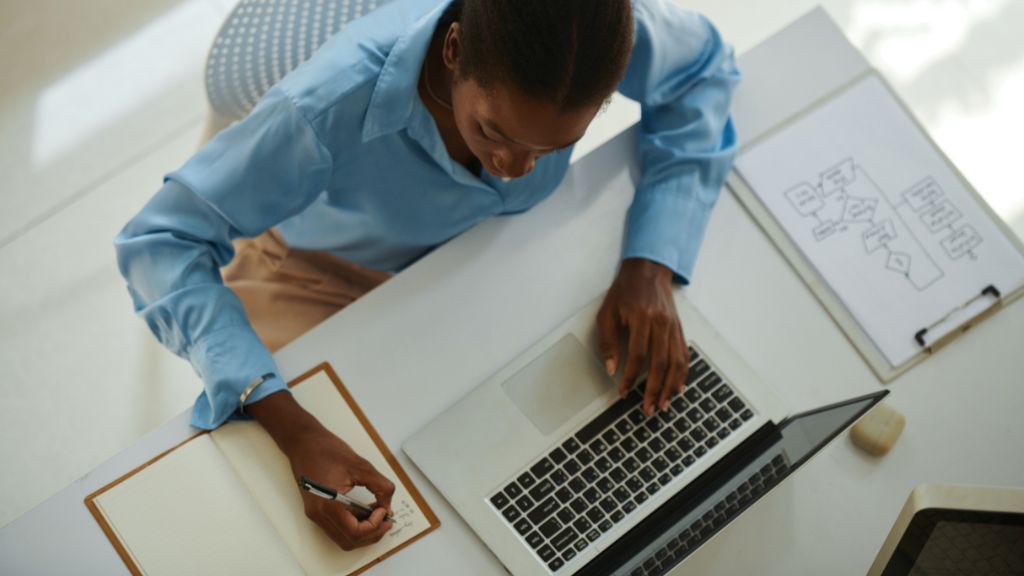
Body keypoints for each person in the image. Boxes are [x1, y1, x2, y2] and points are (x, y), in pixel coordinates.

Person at [115, 0, 739, 552]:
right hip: (313, 274)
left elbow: (703, 69)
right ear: (454, 48)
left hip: (480, 258)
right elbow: (160, 240)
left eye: (547, 148)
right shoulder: (325, 105)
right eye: (492, 132)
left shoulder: (587, 37)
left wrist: (650, 263)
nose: (514, 170)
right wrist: (292, 426)